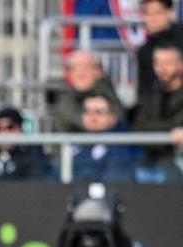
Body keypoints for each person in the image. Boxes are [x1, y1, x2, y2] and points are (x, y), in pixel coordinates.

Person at [133, 44, 183, 180]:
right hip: (151, 157)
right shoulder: (149, 94)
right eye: (157, 62)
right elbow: (139, 126)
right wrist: (170, 132)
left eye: (168, 62)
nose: (162, 68)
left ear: (180, 65)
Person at [72, 93, 139, 183]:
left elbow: (117, 181)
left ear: (112, 117)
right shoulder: (74, 145)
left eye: (99, 111)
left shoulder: (121, 147)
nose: (92, 116)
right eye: (87, 111)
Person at [54, 50, 126, 133]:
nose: (80, 72)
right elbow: (88, 124)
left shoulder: (107, 92)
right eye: (75, 67)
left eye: (86, 66)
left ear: (98, 71)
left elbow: (119, 118)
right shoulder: (66, 99)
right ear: (69, 74)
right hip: (75, 144)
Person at [136, 0, 183, 99]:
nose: (152, 19)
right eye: (147, 13)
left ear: (170, 13)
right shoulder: (144, 52)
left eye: (157, 13)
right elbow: (143, 91)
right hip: (157, 109)